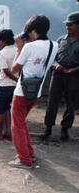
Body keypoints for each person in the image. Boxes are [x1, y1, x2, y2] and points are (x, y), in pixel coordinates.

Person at [8, 14, 58, 168]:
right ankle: (29, 153)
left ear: (33, 30)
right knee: (22, 123)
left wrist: (19, 47)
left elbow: (15, 69)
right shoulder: (54, 45)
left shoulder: (28, 47)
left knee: (17, 125)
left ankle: (24, 159)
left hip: (22, 92)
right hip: (36, 92)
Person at [41, 11, 79, 142]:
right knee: (52, 102)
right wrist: (56, 65)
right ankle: (48, 128)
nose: (68, 27)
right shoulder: (60, 40)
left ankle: (65, 129)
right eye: (67, 25)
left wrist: (75, 69)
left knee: (71, 103)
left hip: (74, 76)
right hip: (58, 75)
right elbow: (52, 59)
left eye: (71, 25)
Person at [0, 29, 18, 141]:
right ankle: (9, 132)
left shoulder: (2, 53)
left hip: (3, 85)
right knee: (7, 108)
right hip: (14, 86)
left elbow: (6, 70)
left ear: (3, 41)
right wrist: (17, 80)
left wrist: (15, 79)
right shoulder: (17, 50)